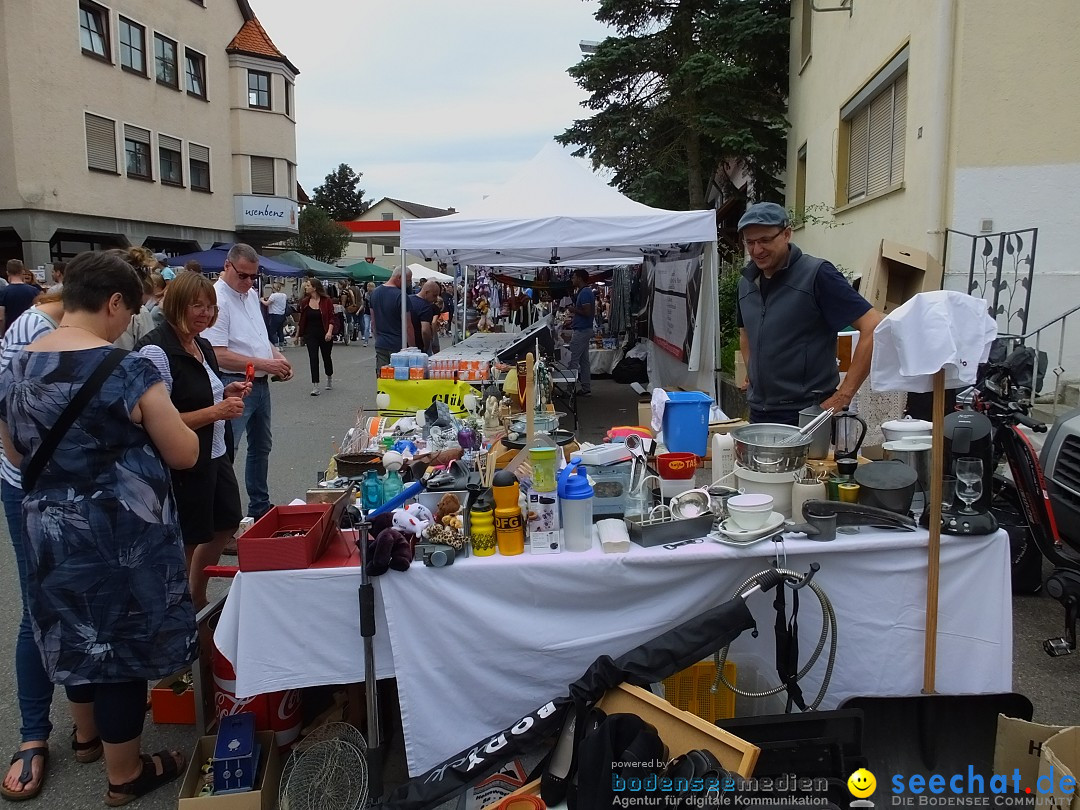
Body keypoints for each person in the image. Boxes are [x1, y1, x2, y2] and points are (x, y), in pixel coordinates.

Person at [0, 250, 199, 804]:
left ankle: (86, 736)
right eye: (128, 310)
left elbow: (15, 454)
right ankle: (125, 773)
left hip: (49, 525)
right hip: (120, 532)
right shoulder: (124, 368)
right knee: (120, 648)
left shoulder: (16, 365)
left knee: (76, 629)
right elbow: (182, 453)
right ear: (114, 303)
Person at [135, 272, 250, 610]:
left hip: (215, 452)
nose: (205, 313)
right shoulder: (156, 351)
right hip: (184, 460)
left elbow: (203, 391)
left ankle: (196, 590)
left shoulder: (199, 344)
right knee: (187, 536)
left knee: (227, 521)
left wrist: (226, 392)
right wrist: (217, 411)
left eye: (210, 307)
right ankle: (177, 604)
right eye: (196, 305)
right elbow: (158, 424)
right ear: (176, 305)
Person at [736, 202, 882, 425]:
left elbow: (872, 325)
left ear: (786, 234)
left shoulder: (817, 275)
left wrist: (844, 395)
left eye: (765, 240)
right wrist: (755, 374)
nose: (756, 250)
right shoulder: (746, 283)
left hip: (808, 414)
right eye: (750, 242)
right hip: (759, 412)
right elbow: (745, 332)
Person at [0, 290, 63, 800]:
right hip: (33, 487)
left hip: (68, 483)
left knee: (84, 595)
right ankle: (33, 733)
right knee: (38, 604)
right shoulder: (32, 333)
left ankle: (91, 729)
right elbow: (12, 433)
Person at [201, 244, 293, 520]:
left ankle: (259, 508)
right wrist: (267, 363)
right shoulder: (218, 299)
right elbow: (217, 354)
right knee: (226, 451)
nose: (249, 281)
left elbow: (258, 338)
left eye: (254, 276)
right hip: (234, 382)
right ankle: (221, 521)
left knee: (261, 447)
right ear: (227, 266)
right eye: (243, 275)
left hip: (259, 382)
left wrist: (277, 358)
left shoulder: (250, 294)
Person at [370, 268, 414, 372]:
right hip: (399, 346)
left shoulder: (375, 293)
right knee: (400, 379)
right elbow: (408, 326)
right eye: (408, 281)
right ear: (399, 278)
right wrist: (413, 348)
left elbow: (373, 322)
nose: (409, 284)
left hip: (381, 344)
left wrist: (378, 338)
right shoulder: (402, 296)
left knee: (383, 378)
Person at [296, 277, 335, 396]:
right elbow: (302, 320)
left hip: (324, 333)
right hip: (310, 333)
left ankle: (329, 376)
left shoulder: (326, 301)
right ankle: (315, 385)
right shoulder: (305, 302)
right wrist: (297, 335)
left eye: (308, 285)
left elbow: (332, 318)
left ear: (314, 287)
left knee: (326, 357)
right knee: (313, 358)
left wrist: (329, 332)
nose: (306, 287)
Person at [567, 268, 595, 397]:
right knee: (584, 361)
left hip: (582, 330)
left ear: (579, 278)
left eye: (573, 277)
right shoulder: (585, 292)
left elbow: (587, 312)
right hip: (584, 328)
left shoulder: (584, 293)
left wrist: (574, 310)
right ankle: (586, 388)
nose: (572, 280)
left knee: (573, 359)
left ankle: (570, 389)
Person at [0, 261, 39, 338]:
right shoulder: (35, 291)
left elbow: (1, 317)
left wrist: (3, 334)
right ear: (22, 271)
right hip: (31, 331)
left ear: (7, 273)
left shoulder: (3, 292)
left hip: (11, 332)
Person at [409, 280, 441, 354]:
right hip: (418, 346)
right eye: (434, 295)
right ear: (427, 292)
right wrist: (426, 346)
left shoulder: (408, 299)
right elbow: (425, 331)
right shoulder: (426, 307)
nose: (436, 299)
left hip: (404, 343)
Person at [261, 282, 288, 348]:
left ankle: (276, 345)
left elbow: (267, 303)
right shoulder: (284, 295)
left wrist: (261, 300)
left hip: (274, 314)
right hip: (282, 314)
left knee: (272, 331)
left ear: (273, 288)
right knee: (280, 330)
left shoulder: (273, 295)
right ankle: (281, 345)